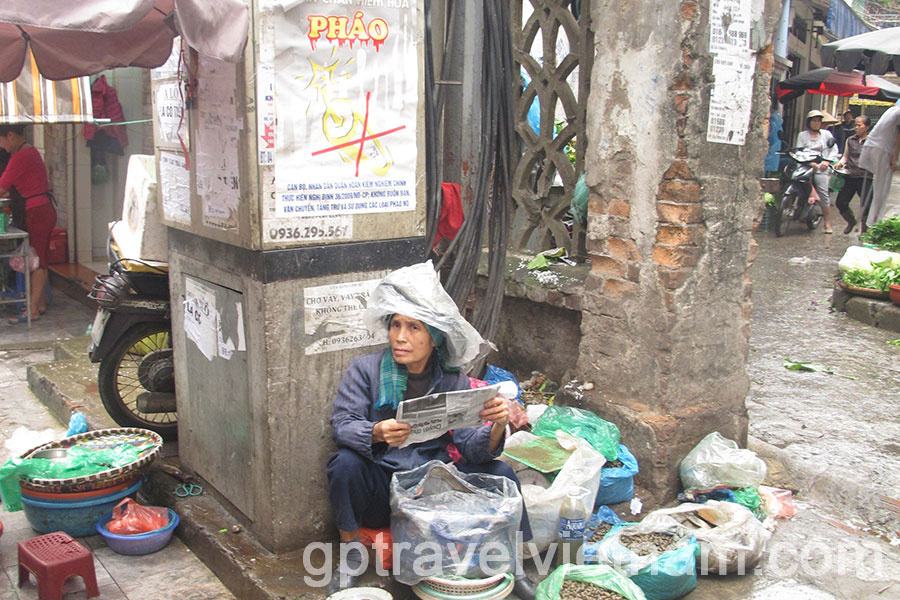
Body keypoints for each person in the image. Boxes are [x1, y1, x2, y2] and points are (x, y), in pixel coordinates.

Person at [326, 262, 536, 599]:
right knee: (344, 465)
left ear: (434, 338)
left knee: (502, 473)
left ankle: (516, 564)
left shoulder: (454, 381)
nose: (400, 337)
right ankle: (351, 553)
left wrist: (498, 425)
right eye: (396, 325)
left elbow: (472, 449)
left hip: (433, 488)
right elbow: (342, 426)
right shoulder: (364, 370)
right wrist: (378, 431)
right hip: (384, 486)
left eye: (413, 328)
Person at [0, 124, 57, 323]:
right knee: (39, 258)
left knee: (37, 262)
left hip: (37, 212)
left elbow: (2, 188)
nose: (2, 146)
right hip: (41, 209)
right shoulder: (29, 151)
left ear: (10, 135)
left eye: (1, 141)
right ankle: (39, 305)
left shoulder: (20, 156)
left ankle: (31, 311)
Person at [796, 109, 839, 233]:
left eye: (819, 121)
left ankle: (827, 223)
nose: (816, 123)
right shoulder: (802, 135)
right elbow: (799, 150)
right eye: (814, 121)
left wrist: (826, 162)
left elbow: (833, 150)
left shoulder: (826, 134)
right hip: (806, 165)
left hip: (821, 166)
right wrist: (809, 163)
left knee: (823, 192)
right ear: (809, 122)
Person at [858, 102, 900, 230]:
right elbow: (899, 136)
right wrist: (894, 158)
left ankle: (869, 222)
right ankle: (874, 224)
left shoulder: (893, 109)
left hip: (871, 147)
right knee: (881, 190)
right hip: (882, 149)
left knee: (875, 187)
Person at [832, 116, 873, 234]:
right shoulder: (850, 140)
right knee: (841, 202)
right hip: (850, 175)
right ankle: (850, 221)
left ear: (867, 127)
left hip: (865, 176)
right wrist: (840, 163)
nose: (856, 127)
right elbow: (845, 156)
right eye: (855, 125)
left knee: (866, 204)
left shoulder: (871, 142)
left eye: (859, 125)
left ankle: (864, 230)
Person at [764, 102, 784, 177]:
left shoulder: (772, 121)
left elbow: (771, 138)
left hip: (768, 156)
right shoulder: (777, 120)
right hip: (772, 157)